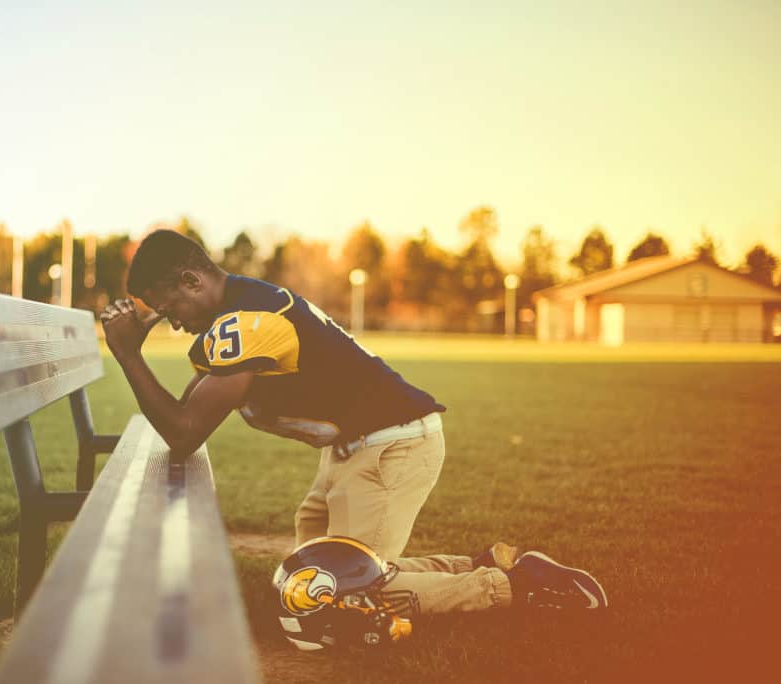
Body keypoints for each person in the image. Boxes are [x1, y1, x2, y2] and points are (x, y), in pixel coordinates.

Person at [99, 229, 606, 621]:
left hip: (390, 447)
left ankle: (516, 588)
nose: (173, 321)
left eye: (170, 308)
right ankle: (484, 564)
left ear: (192, 281)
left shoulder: (245, 320)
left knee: (344, 594)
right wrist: (135, 352)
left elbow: (185, 432)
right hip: (358, 448)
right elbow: (189, 411)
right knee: (311, 581)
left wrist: (126, 355)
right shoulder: (240, 308)